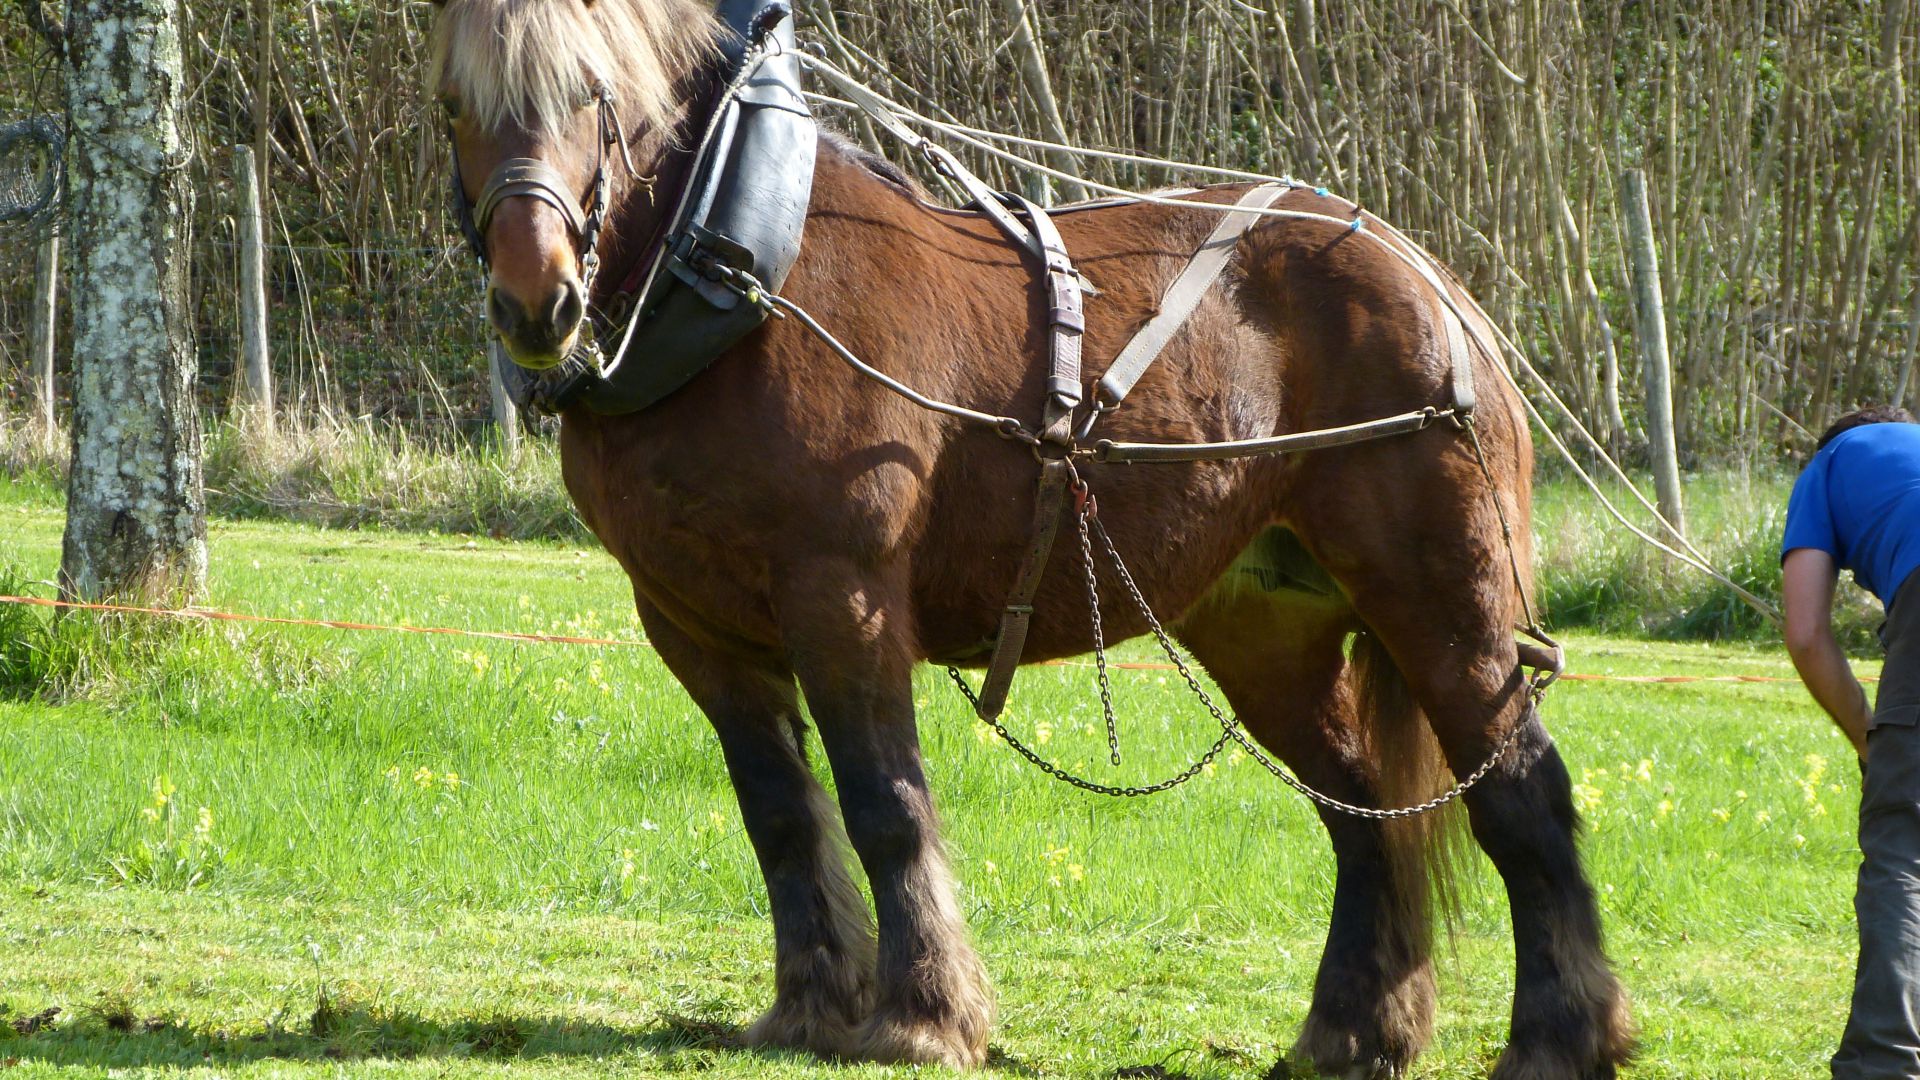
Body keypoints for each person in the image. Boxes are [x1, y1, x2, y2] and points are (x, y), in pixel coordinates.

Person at [1781, 404, 1920, 1079]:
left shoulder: (1828, 462)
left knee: (1903, 846)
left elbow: (1806, 633)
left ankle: (1884, 1063)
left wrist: (1870, 736)